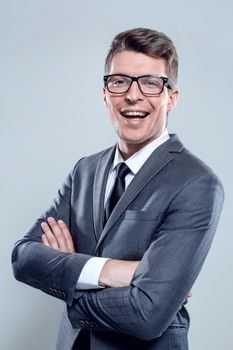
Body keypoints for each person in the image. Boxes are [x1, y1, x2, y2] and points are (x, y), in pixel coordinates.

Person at [12, 28, 224, 350]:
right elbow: (23, 257)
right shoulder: (85, 170)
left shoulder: (197, 183)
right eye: (120, 81)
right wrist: (109, 271)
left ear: (172, 98)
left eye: (151, 83)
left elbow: (147, 313)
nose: (133, 95)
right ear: (105, 93)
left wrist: (69, 278)